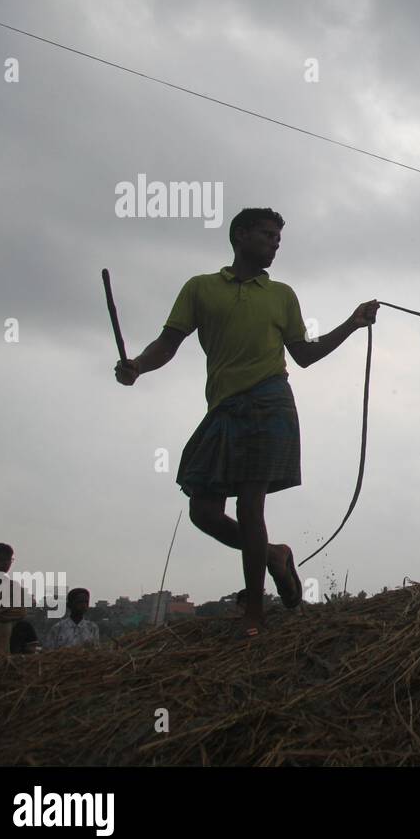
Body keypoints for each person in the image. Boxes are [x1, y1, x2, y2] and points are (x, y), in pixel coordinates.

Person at [115, 207, 379, 638]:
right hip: (222, 408)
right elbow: (168, 342)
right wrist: (138, 366)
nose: (275, 242)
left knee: (250, 503)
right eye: (266, 234)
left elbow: (305, 355)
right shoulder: (199, 288)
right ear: (240, 236)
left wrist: (352, 322)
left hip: (269, 403)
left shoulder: (282, 295)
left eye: (278, 237)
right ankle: (275, 556)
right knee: (202, 511)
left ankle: (254, 613)